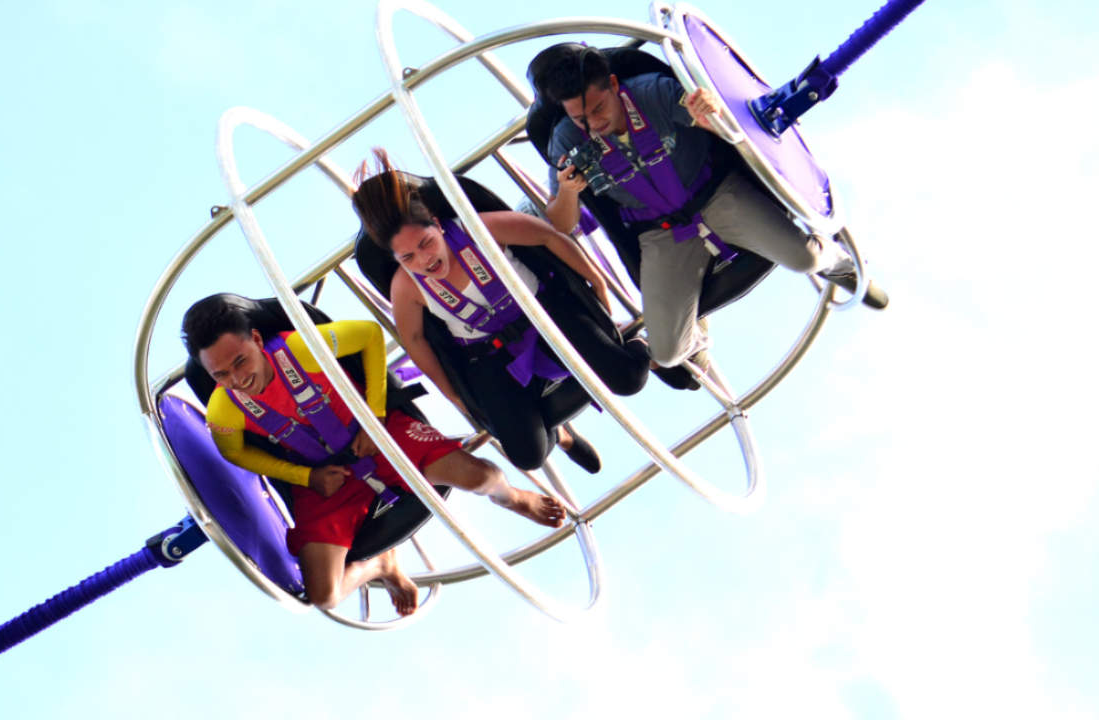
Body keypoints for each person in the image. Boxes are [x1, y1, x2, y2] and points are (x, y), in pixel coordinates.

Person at [181, 293, 565, 616]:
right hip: (321, 477)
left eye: (240, 362)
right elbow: (236, 454)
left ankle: (514, 497)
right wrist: (306, 478)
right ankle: (380, 564)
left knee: (479, 478)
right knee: (325, 595)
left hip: (379, 436)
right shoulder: (223, 410)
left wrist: (373, 415)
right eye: (221, 375)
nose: (237, 379)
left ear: (257, 339)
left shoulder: (302, 348)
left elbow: (369, 336)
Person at [528, 44, 888, 379]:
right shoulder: (566, 141)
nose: (594, 124)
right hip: (660, 232)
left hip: (716, 196)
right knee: (667, 354)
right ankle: (695, 336)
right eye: (581, 119)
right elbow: (562, 224)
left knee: (805, 259)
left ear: (612, 84)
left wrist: (707, 112)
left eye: (598, 109)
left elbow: (722, 128)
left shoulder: (652, 92)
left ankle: (840, 263)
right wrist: (568, 192)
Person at [351, 150, 652, 475]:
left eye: (426, 243)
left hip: (544, 318)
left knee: (629, 380)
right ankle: (563, 436)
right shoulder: (405, 287)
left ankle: (645, 346)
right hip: (489, 354)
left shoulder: (479, 230)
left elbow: (549, 238)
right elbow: (414, 339)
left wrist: (598, 286)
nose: (424, 260)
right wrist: (455, 396)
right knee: (528, 456)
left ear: (437, 225)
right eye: (408, 257)